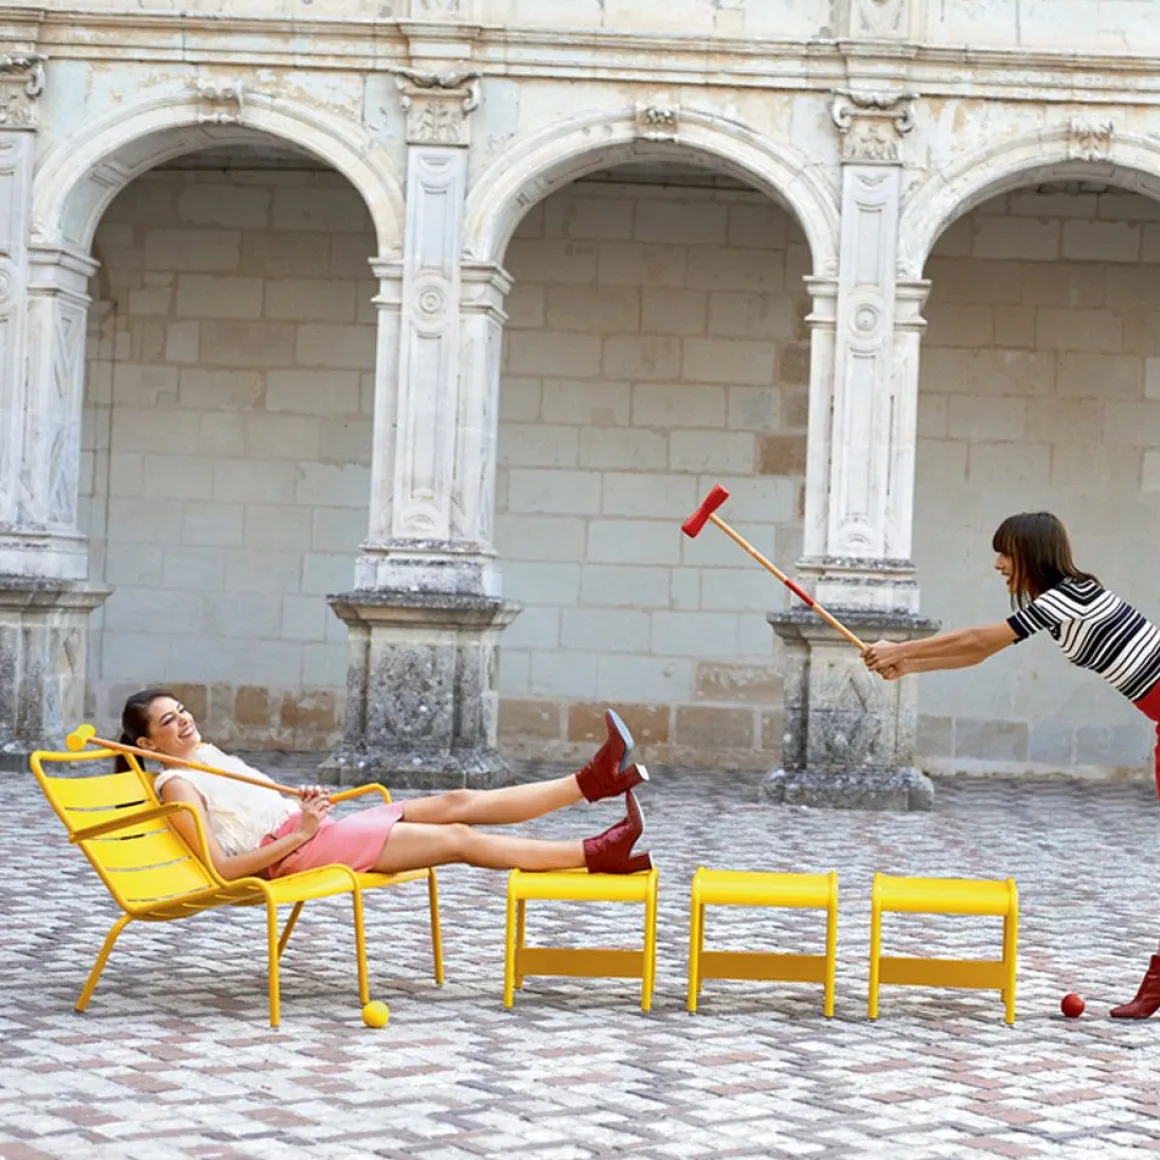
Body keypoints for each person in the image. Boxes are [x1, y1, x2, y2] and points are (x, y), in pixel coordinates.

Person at [861, 511, 1160, 1020]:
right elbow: (979, 654)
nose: (999, 564)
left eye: (1005, 553)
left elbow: (980, 640)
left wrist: (901, 648)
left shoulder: (1074, 595)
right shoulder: (1062, 601)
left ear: (1030, 554)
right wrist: (907, 665)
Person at [117, 689, 652, 887]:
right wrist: (300, 833)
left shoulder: (207, 757)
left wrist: (302, 807)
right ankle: (598, 853)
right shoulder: (177, 788)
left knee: (457, 801)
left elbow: (260, 812)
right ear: (146, 743)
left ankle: (595, 780)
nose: (184, 721)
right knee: (459, 838)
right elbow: (222, 871)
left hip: (315, 833)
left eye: (182, 710)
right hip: (300, 854)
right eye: (169, 721)